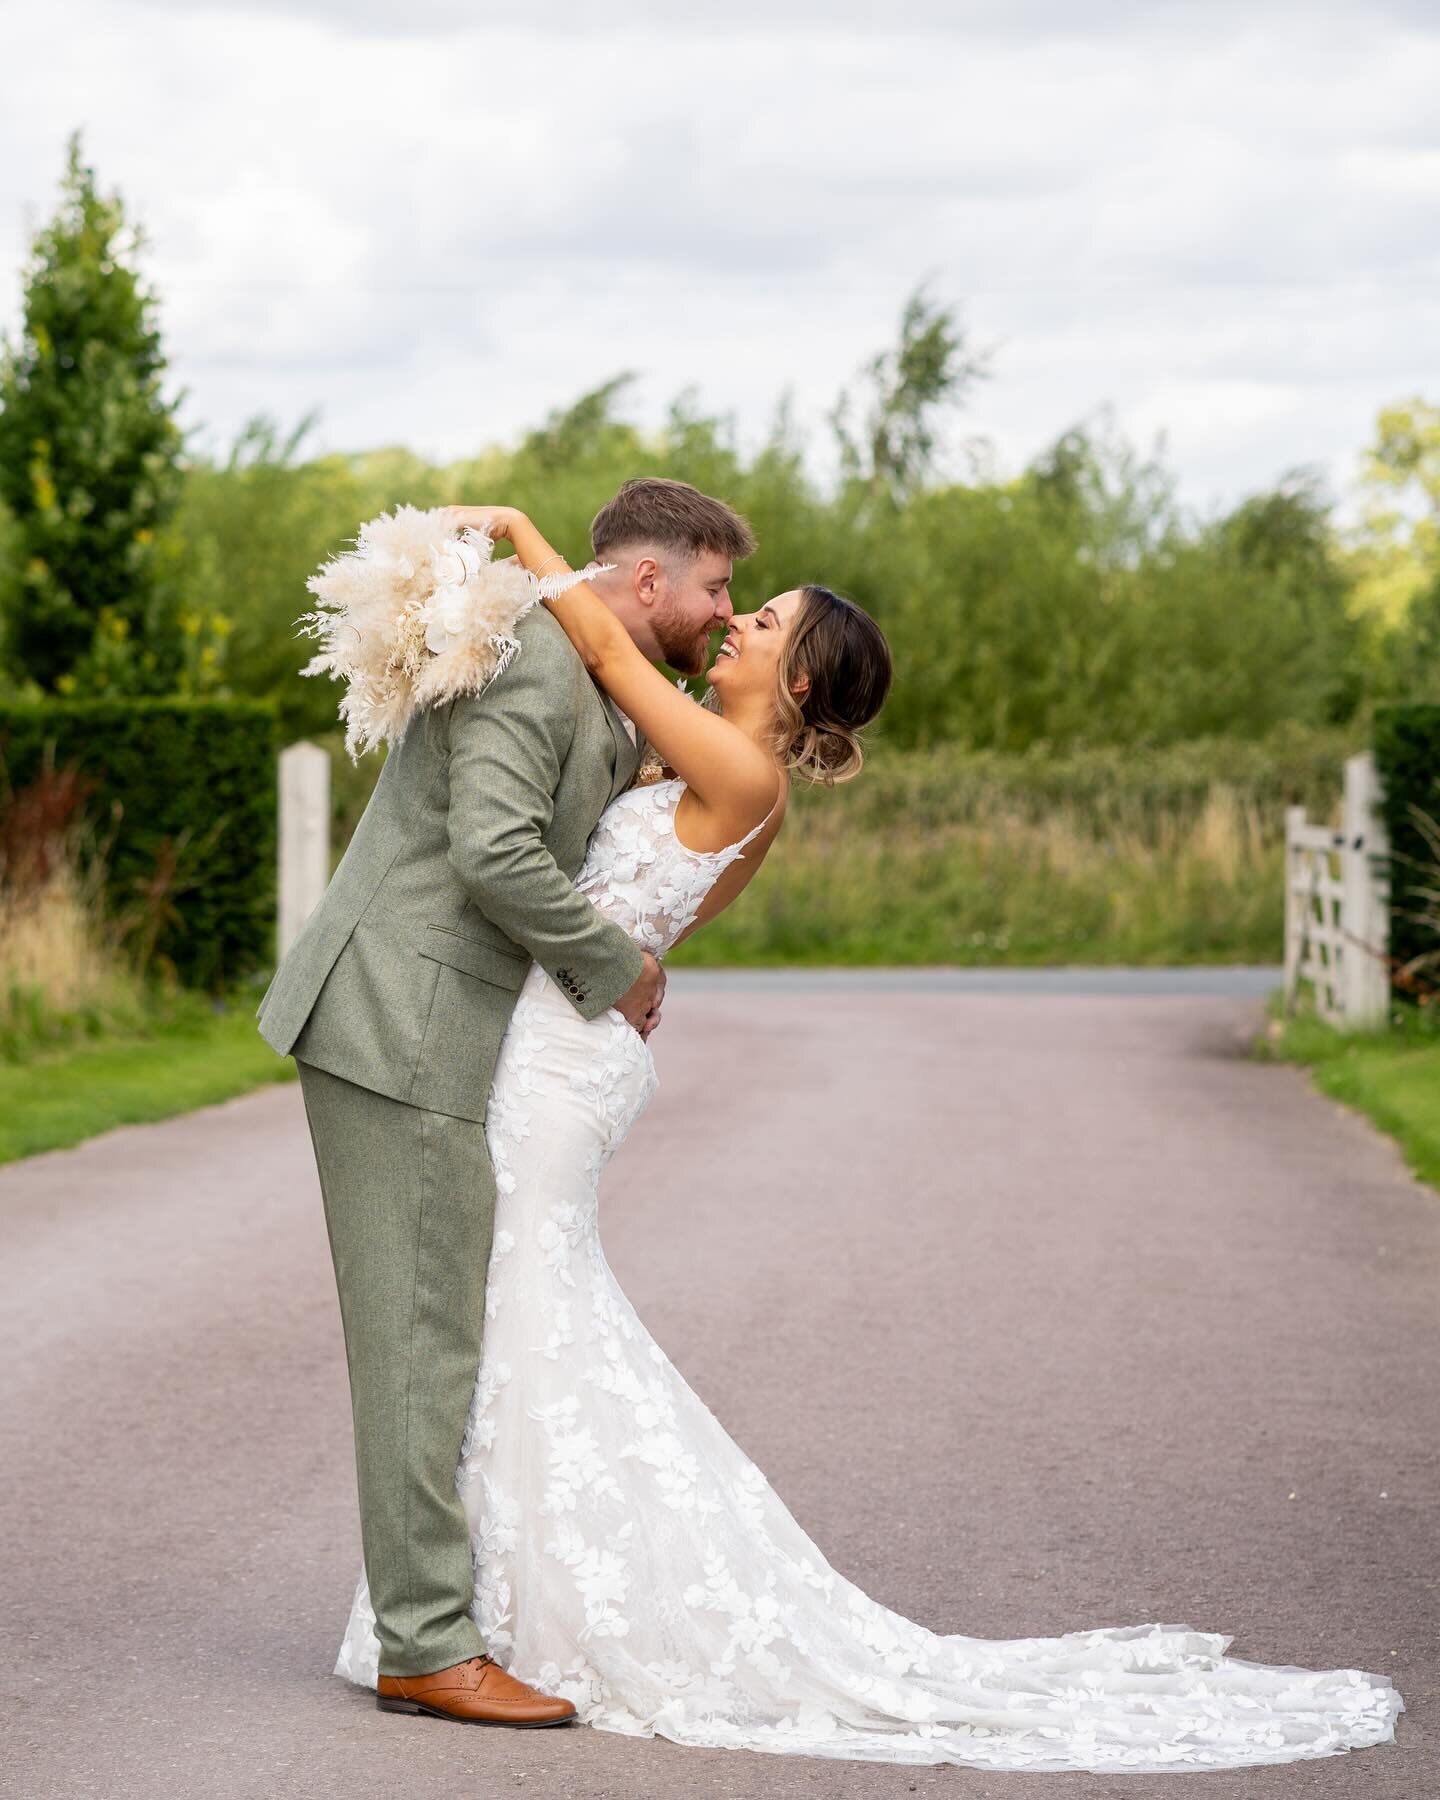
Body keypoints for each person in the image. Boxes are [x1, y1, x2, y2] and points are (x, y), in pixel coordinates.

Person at [333, 504, 1403, 1773]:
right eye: (739, 598)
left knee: (510, 1313)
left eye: (762, 617)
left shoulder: (740, 773)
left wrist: (519, 532)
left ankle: (475, 1620)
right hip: (554, 1044)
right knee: (501, 1313)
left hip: (563, 1065)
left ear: (794, 682)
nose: (734, 617)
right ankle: (463, 1611)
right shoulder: (680, 765)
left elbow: (617, 659)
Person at [259, 477, 755, 1726]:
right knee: (421, 1337)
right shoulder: (536, 655)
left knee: (440, 1325)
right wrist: (619, 965)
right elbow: (493, 852)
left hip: (426, 1024)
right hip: (400, 1023)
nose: (723, 610)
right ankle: (427, 1646)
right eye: (715, 587)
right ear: (650, 581)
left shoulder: (577, 661)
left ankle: (437, 1617)